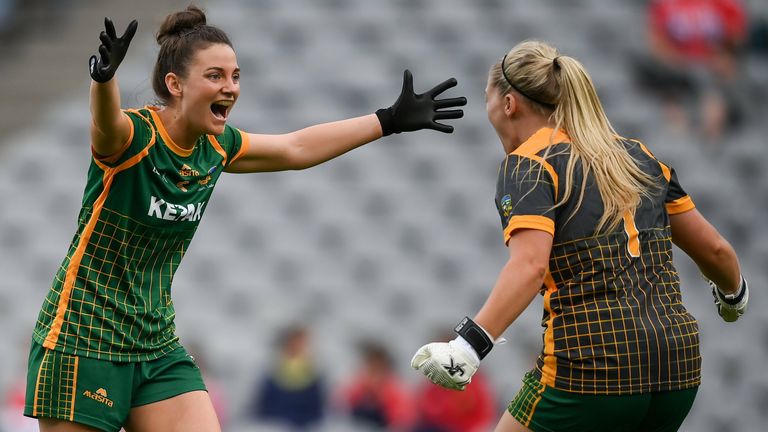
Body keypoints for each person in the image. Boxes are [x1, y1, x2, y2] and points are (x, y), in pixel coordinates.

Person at [22, 5, 465, 432]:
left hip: (154, 343)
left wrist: (386, 120)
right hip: (83, 338)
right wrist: (103, 80)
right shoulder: (134, 136)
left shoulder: (216, 147)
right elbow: (105, 125)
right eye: (214, 76)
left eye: (235, 76)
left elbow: (296, 148)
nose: (230, 87)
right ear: (175, 84)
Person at [411, 40, 749, 432]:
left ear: (508, 104)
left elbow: (530, 266)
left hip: (592, 370)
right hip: (678, 372)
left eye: (486, 97)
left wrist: (468, 346)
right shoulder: (638, 154)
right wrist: (733, 297)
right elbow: (716, 250)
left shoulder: (529, 163)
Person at [248, 324, 326, 430]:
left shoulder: (314, 375)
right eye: (295, 342)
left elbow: (318, 411)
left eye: (302, 344)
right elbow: (263, 408)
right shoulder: (273, 372)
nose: (299, 347)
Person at [336, 340, 414, 430]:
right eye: (371, 367)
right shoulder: (358, 385)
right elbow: (341, 408)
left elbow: (401, 422)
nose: (374, 373)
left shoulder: (395, 392)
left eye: (378, 368)